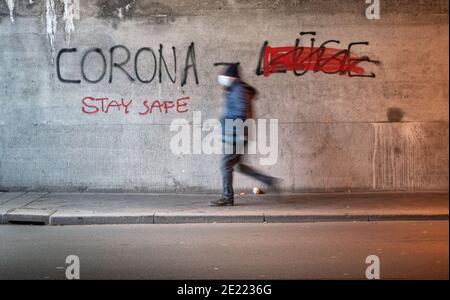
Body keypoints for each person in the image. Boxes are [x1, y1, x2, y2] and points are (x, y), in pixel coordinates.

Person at [210, 64, 279, 207]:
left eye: (225, 76)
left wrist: (224, 119)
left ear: (232, 77)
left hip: (236, 135)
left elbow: (240, 113)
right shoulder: (235, 89)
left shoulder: (239, 90)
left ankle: (227, 197)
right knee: (239, 166)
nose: (222, 79)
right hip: (237, 134)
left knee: (226, 165)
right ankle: (268, 180)